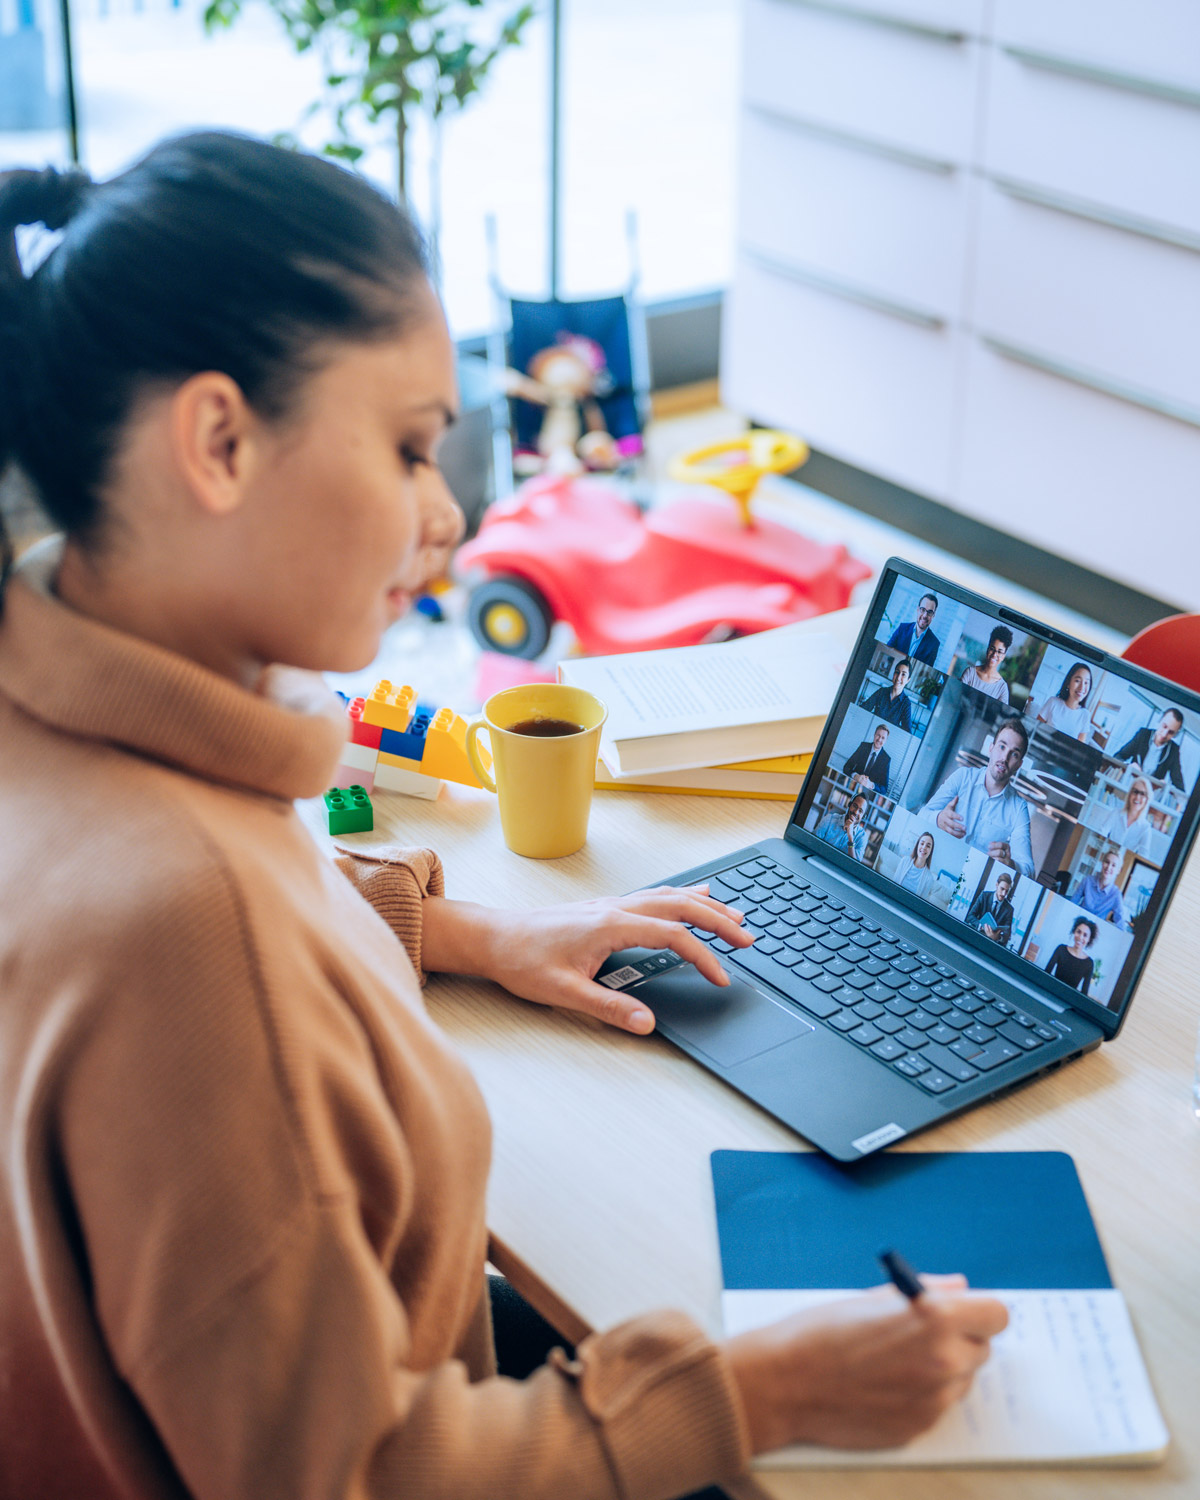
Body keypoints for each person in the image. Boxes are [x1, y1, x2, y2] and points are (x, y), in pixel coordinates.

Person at [0, 139, 1007, 1500]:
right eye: (413, 446)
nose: (452, 512)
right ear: (220, 442)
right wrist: (768, 1394)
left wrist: (464, 929)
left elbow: (247, 891)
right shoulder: (189, 939)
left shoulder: (74, 726)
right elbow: (356, 1478)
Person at [922, 717, 1035, 876]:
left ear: (1019, 765)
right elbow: (922, 814)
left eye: (1014, 754)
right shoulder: (962, 777)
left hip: (973, 882)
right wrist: (938, 819)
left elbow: (1029, 871)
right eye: (1002, 746)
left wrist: (1011, 865)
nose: (1004, 758)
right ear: (991, 748)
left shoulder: (1018, 808)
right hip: (935, 868)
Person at [1114, 709, 1186, 793]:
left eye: (1170, 732)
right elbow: (1118, 756)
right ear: (1160, 720)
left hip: (1148, 795)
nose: (1164, 734)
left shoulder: (1173, 750)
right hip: (1128, 786)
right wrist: (1129, 766)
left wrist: (1166, 787)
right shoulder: (1143, 735)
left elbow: (1179, 786)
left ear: (1176, 734)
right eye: (1164, 726)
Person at [1070, 847, 1130, 931]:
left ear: (1118, 870)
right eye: (1107, 862)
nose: (1109, 867)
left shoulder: (1116, 894)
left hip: (1094, 931)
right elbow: (1072, 904)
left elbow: (1120, 923)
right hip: (1077, 924)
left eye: (1113, 865)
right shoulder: (1087, 881)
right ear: (1102, 863)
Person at [1032, 661, 1093, 742]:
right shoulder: (1053, 702)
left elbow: (1080, 746)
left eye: (1086, 683)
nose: (1082, 687)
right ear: (1068, 683)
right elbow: (1035, 730)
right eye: (1077, 681)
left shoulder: (1085, 715)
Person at [1099, 777, 1155, 858]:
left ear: (1147, 799)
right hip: (1106, 856)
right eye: (1135, 792)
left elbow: (1144, 856)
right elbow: (1101, 832)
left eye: (1142, 794)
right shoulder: (1115, 813)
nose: (1137, 797)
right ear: (1129, 795)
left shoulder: (1146, 828)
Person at [960, 625, 1012, 704]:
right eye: (992, 649)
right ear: (987, 649)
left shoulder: (1002, 688)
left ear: (1003, 656)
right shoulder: (970, 673)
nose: (994, 654)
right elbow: (957, 697)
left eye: (999, 652)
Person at [1044, 918, 1098, 995]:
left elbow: (1084, 993)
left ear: (1089, 939)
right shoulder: (1061, 949)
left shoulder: (1089, 963)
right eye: (1078, 932)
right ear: (1074, 932)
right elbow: (1046, 974)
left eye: (1085, 935)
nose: (1080, 937)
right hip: (1051, 992)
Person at [886, 592, 941, 666]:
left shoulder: (934, 644)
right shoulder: (902, 628)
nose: (925, 615)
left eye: (930, 612)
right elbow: (887, 650)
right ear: (918, 609)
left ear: (933, 615)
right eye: (922, 609)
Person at [860, 656, 913, 732]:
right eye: (897, 672)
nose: (898, 678)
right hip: (872, 730)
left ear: (908, 680)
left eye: (903, 674)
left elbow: (907, 731)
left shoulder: (906, 703)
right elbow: (864, 708)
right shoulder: (882, 692)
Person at [814, 793, 869, 861]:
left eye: (860, 811)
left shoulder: (862, 837)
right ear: (849, 805)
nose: (856, 812)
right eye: (854, 806)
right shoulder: (829, 819)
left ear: (863, 816)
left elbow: (854, 865)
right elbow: (813, 843)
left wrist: (850, 837)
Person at [965, 872, 1015, 945]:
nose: (1004, 894)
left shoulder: (1009, 909)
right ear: (997, 885)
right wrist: (981, 926)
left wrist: (997, 937)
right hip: (976, 936)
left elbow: (1007, 933)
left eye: (1007, 891)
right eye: (1002, 889)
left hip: (992, 944)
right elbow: (970, 916)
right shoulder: (984, 896)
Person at [842, 724, 891, 794]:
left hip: (867, 793)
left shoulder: (886, 759)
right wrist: (855, 776)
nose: (879, 739)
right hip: (851, 786)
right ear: (874, 735)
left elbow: (884, 789)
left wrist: (871, 785)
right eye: (878, 735)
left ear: (886, 740)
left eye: (883, 738)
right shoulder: (863, 746)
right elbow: (846, 767)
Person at [897, 830, 939, 900]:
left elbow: (920, 902)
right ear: (917, 845)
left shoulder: (929, 878)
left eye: (928, 846)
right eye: (922, 843)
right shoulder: (905, 860)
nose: (924, 848)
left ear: (930, 852)